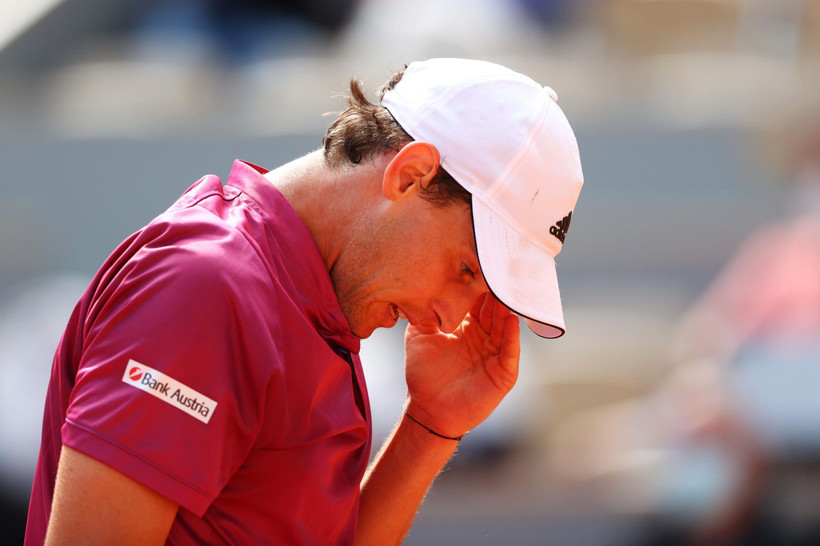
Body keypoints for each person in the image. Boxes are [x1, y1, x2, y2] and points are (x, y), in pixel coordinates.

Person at [25, 58, 584, 545]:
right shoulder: (206, 287)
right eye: (465, 270)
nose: (453, 316)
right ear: (411, 176)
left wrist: (430, 426)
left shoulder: (310, 305)